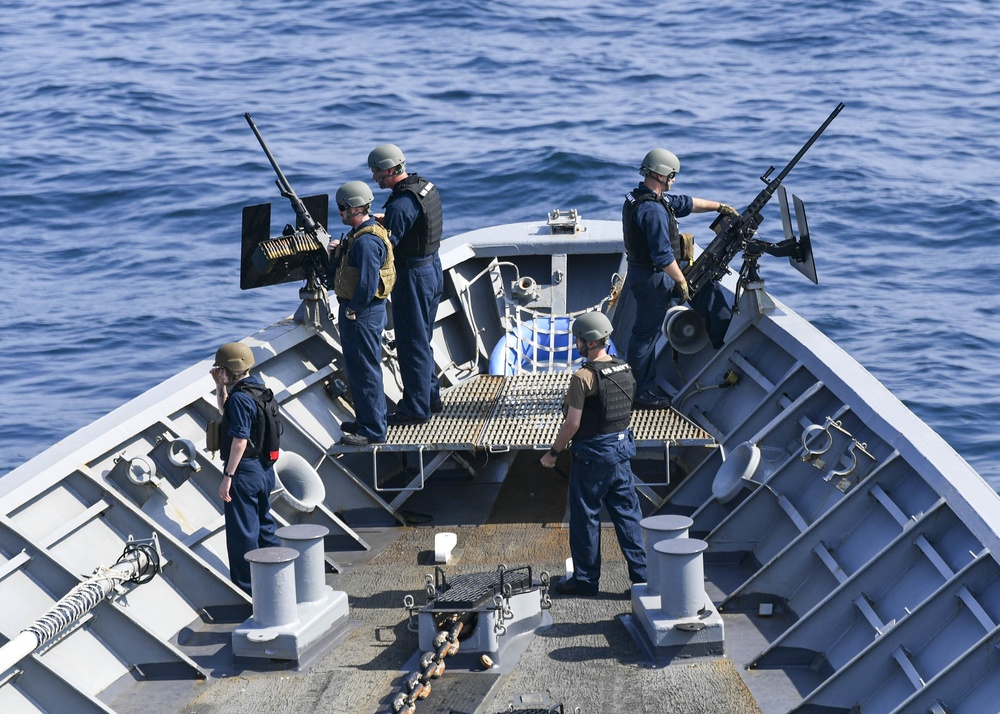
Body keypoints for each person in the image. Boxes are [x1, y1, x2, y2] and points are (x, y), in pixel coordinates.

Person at [540, 312, 647, 596]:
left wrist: (553, 453)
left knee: (586, 518)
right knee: (628, 516)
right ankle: (642, 579)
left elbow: (572, 424)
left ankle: (586, 582)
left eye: (577, 339)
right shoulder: (625, 369)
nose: (575, 343)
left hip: (592, 458)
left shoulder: (583, 378)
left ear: (587, 343)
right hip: (621, 453)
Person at [622, 148, 738, 409]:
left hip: (650, 273)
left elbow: (685, 203)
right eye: (672, 176)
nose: (673, 180)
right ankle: (640, 392)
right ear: (661, 175)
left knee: (704, 294)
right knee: (645, 335)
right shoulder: (652, 210)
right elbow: (663, 256)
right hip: (653, 277)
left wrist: (719, 207)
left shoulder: (644, 197)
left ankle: (719, 334)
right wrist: (682, 282)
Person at [368, 143, 444, 426]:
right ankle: (431, 397)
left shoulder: (400, 203)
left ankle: (416, 409)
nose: (375, 178)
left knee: (411, 343)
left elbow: (386, 248)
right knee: (422, 338)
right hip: (432, 268)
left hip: (413, 276)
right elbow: (413, 222)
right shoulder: (424, 187)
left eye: (377, 172)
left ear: (390, 169)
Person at [210, 341, 281, 595]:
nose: (219, 373)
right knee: (265, 527)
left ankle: (248, 591)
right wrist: (220, 388)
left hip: (244, 473)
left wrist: (228, 477)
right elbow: (225, 411)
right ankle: (277, 580)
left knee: (242, 535)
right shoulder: (258, 389)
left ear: (230, 370)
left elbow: (239, 440)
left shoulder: (240, 399)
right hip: (263, 471)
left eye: (221, 370)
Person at [332, 180, 396, 446]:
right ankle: (366, 420)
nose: (340, 214)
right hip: (363, 311)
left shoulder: (366, 242)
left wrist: (353, 310)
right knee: (358, 369)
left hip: (362, 313)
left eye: (341, 209)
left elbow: (368, 283)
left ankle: (373, 431)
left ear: (353, 209)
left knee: (366, 370)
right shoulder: (362, 234)